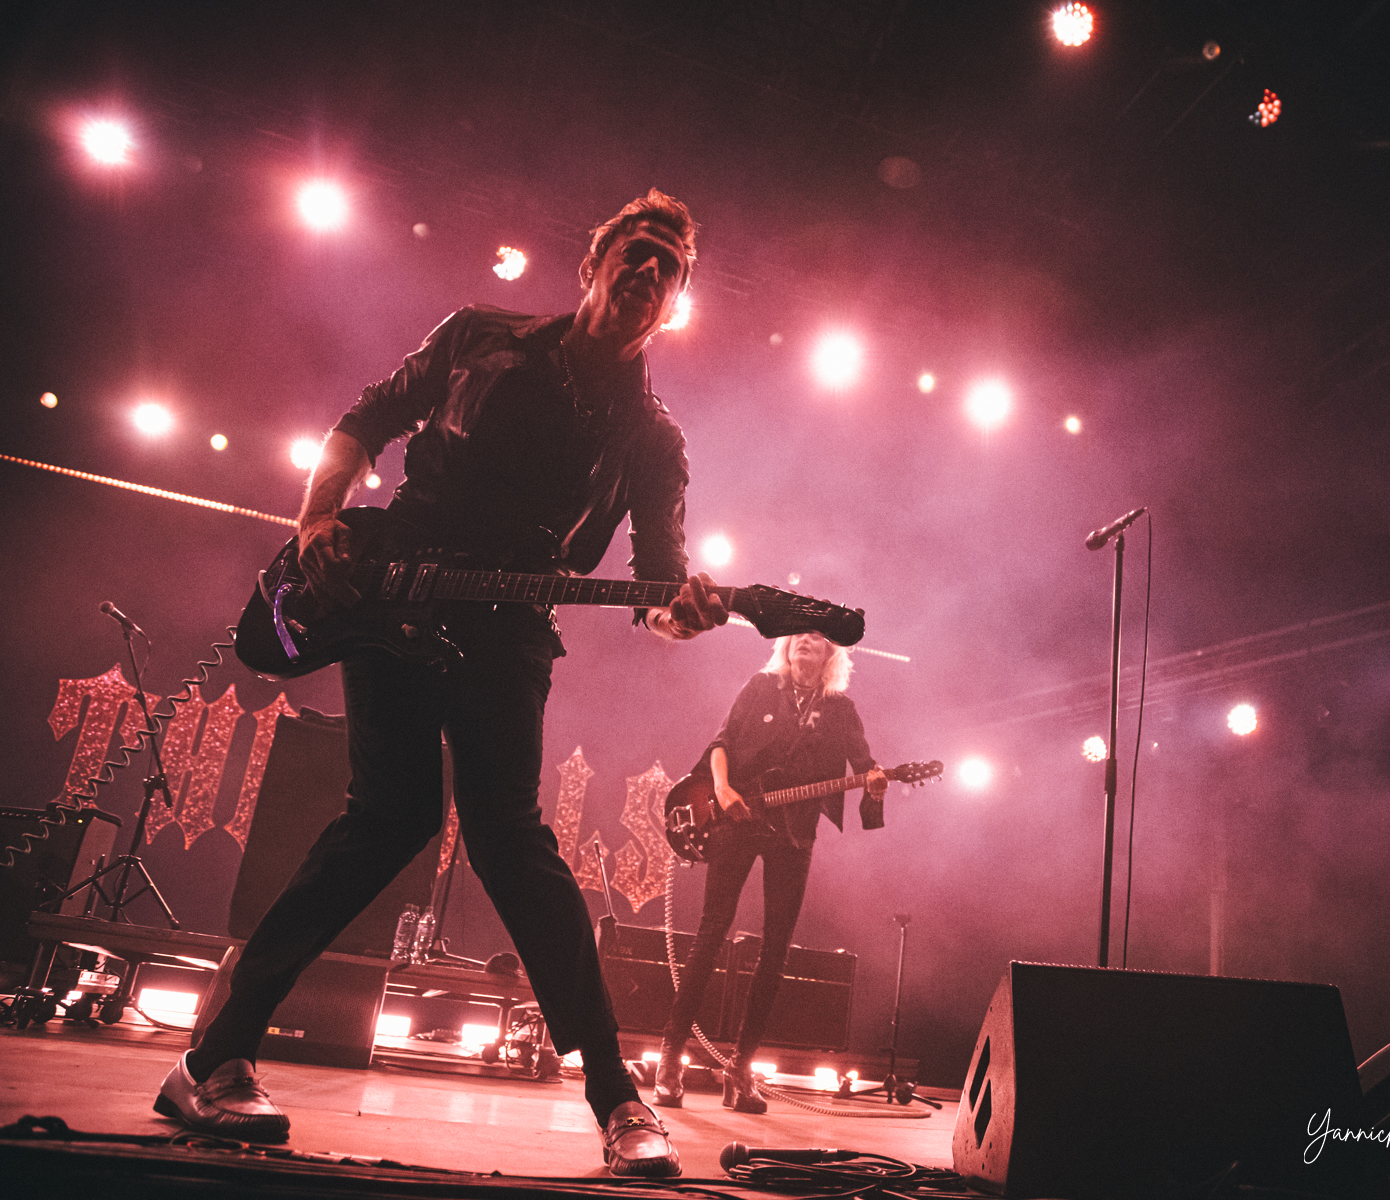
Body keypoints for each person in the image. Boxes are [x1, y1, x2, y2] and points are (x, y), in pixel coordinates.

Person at [155, 189, 727, 1178]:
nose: (650, 272)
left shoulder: (651, 435)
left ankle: (618, 1101)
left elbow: (658, 584)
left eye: (670, 268)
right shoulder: (481, 336)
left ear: (675, 302)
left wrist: (684, 610)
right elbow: (366, 417)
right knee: (394, 815)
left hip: (510, 627)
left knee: (512, 838)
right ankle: (214, 1058)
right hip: (397, 592)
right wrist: (316, 519)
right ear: (593, 263)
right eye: (637, 252)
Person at [653, 631, 885, 1113]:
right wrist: (721, 789)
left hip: (794, 832)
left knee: (775, 949)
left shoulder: (841, 709)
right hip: (736, 819)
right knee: (712, 932)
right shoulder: (760, 686)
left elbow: (866, 765)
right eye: (799, 634)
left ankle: (741, 1068)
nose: (806, 639)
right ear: (788, 647)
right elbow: (720, 742)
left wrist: (878, 786)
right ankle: (670, 1057)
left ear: (830, 654)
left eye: (817, 636)